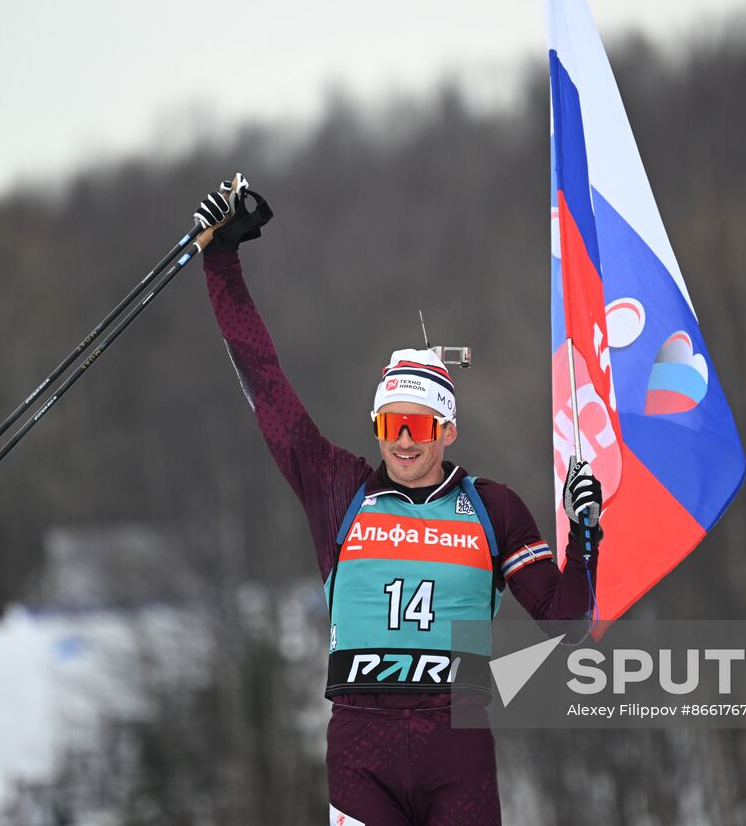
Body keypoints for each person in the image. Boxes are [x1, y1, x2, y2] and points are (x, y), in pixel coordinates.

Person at [193, 175, 603, 826]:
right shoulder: (338, 489)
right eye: (390, 426)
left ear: (448, 430)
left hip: (456, 747)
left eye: (418, 427)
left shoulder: (492, 508)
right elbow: (264, 382)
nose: (403, 443)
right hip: (361, 750)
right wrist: (221, 260)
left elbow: (567, 624)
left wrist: (585, 535)